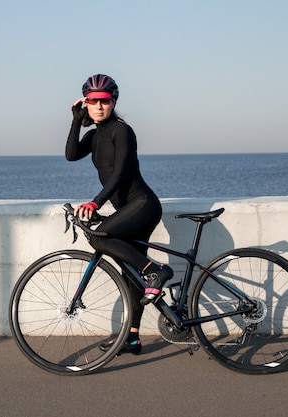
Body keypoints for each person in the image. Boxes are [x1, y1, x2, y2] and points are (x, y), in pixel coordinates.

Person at [65, 74, 173, 355]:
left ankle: (156, 271)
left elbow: (122, 171)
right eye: (93, 101)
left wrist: (96, 203)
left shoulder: (122, 131)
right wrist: (76, 121)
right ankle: (132, 338)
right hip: (127, 209)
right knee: (130, 274)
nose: (99, 106)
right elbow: (71, 154)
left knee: (99, 239)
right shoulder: (95, 135)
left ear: (113, 102)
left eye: (105, 101)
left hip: (143, 205)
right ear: (86, 103)